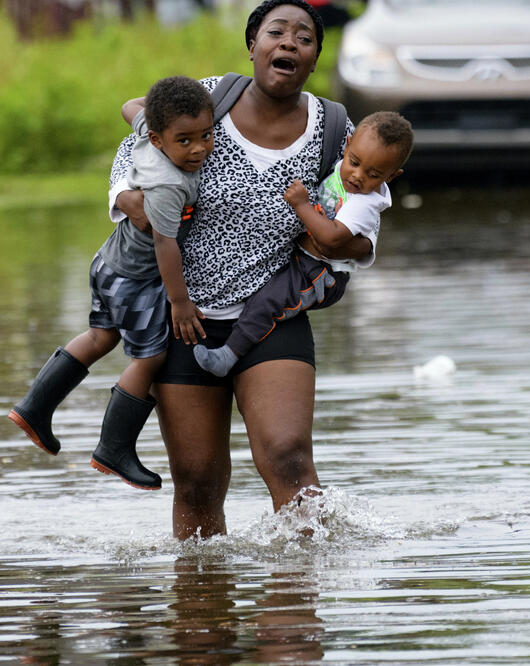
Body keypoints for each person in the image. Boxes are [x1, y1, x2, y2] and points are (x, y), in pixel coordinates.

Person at [110, 0, 373, 539]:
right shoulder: (206, 98)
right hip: (184, 314)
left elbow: (366, 194)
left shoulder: (336, 129)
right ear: (252, 44)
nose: (289, 43)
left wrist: (349, 239)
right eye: (276, 32)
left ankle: (301, 603)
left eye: (304, 38)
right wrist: (127, 198)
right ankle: (202, 609)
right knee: (197, 479)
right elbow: (134, 147)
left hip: (273, 312)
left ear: (314, 59)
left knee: (287, 455)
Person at [8, 76, 213, 491]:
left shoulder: (147, 131)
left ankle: (34, 407)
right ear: (158, 140)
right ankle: (114, 448)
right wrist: (179, 302)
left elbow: (128, 105)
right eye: (185, 140)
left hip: (107, 264)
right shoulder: (169, 184)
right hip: (136, 278)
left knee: (101, 336)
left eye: (206, 135)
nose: (199, 149)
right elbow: (164, 244)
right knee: (150, 358)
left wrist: (153, 113)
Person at [193, 111, 413, 377]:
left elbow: (331, 239)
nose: (357, 176)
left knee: (269, 301)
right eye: (354, 162)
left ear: (391, 177)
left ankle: (228, 356)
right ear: (347, 144)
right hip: (304, 260)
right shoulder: (340, 169)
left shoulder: (364, 203)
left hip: (320, 274)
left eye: (374, 174)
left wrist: (301, 205)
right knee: (262, 294)